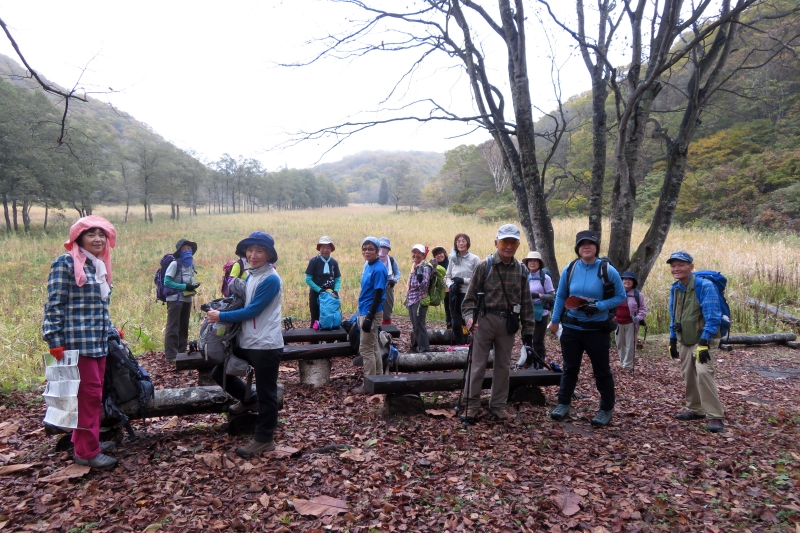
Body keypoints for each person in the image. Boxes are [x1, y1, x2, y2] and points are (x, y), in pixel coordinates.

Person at [42, 215, 120, 470]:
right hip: (77, 344)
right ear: (79, 238)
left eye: (102, 235)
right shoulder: (65, 263)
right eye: (91, 235)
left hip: (97, 342)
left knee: (93, 394)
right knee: (87, 396)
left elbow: (100, 307)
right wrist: (53, 338)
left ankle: (87, 440)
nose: (98, 239)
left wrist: (111, 330)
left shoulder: (99, 265)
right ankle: (86, 452)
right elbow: (54, 304)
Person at [206, 231, 284, 458]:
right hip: (248, 340)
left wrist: (220, 316)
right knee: (220, 371)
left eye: (259, 251)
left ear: (269, 254)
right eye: (250, 250)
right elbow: (243, 303)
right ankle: (249, 400)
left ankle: (264, 439)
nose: (253, 255)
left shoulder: (270, 278)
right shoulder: (251, 275)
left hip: (266, 345)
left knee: (267, 393)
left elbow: (253, 310)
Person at [548, 230, 626, 427]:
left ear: (596, 247)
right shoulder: (571, 268)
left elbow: (621, 296)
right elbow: (560, 295)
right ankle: (563, 404)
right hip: (572, 328)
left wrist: (598, 306)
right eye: (582, 244)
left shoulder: (608, 270)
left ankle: (606, 409)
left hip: (597, 330)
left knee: (601, 371)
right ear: (577, 248)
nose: (586, 247)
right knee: (569, 368)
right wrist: (555, 320)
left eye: (590, 243)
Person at [460, 224, 535, 422]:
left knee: (503, 365)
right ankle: (471, 405)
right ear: (496, 243)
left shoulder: (521, 270)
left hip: (508, 322)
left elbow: (526, 302)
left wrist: (528, 330)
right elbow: (468, 300)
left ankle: (498, 405)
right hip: (484, 320)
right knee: (478, 364)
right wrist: (469, 318)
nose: (508, 246)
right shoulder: (484, 266)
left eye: (513, 242)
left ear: (518, 245)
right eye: (504, 242)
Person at [667, 251, 725, 433]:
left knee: (704, 373)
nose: (676, 269)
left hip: (704, 339)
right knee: (688, 373)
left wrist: (704, 342)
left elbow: (713, 316)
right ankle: (695, 409)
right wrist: (672, 339)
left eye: (681, 265)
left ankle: (715, 416)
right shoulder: (675, 288)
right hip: (685, 339)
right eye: (673, 265)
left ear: (691, 267)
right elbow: (674, 315)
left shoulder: (705, 286)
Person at [352, 237, 389, 394]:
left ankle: (369, 384)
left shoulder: (379, 269)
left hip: (371, 311)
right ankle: (379, 379)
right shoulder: (368, 265)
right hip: (364, 309)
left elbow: (378, 294)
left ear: (377, 250)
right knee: (373, 345)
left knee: (365, 347)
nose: (367, 251)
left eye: (370, 249)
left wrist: (369, 317)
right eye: (364, 248)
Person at [163, 238, 200, 363]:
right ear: (179, 251)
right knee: (173, 326)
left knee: (183, 326)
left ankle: (182, 352)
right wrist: (185, 287)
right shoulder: (174, 264)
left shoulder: (190, 265)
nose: (187, 251)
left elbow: (188, 281)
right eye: (184, 249)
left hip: (187, 299)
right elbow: (166, 282)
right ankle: (171, 356)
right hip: (175, 299)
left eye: (189, 249)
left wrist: (193, 285)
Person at [445, 233, 481, 345]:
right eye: (458, 241)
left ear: (468, 243)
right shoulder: (453, 259)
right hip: (455, 293)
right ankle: (461, 344)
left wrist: (463, 280)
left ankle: (472, 343)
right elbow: (447, 276)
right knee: (455, 322)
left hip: (469, 294)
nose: (461, 243)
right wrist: (451, 285)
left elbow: (478, 278)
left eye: (463, 241)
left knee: (469, 320)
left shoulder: (474, 259)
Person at [521, 251, 555, 367]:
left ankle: (539, 363)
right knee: (526, 337)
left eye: (535, 261)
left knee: (537, 340)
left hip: (542, 311)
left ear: (539, 263)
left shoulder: (545, 277)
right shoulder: (524, 275)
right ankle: (528, 360)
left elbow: (552, 295)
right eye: (530, 261)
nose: (532, 263)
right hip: (526, 311)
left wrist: (539, 296)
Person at [305, 236, 342, 327]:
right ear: (319, 248)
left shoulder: (334, 263)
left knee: (330, 318)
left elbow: (337, 278)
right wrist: (319, 290)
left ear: (331, 249)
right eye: (323, 247)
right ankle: (314, 340)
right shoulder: (314, 261)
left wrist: (336, 290)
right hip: (316, 294)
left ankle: (330, 340)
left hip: (330, 296)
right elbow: (308, 279)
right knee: (315, 319)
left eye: (328, 248)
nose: (325, 250)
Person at [614, 271, 647, 372]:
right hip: (617, 323)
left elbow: (643, 309)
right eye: (624, 279)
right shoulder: (616, 292)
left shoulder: (638, 295)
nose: (627, 281)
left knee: (630, 345)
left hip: (631, 323)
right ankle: (623, 362)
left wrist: (639, 317)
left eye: (629, 280)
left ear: (633, 282)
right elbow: (610, 306)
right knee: (620, 344)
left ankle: (627, 366)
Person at [406, 244, 432, 353]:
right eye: (414, 252)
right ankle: (417, 347)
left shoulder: (424, 267)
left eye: (419, 253)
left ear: (423, 255)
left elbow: (423, 286)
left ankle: (425, 350)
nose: (416, 255)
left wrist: (420, 276)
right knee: (415, 325)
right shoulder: (415, 266)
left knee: (420, 325)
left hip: (419, 300)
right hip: (412, 299)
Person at [378, 237, 401, 325]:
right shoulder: (372, 260)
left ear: (388, 250)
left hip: (388, 286)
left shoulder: (391, 260)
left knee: (387, 309)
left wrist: (394, 280)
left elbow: (397, 273)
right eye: (381, 247)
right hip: (375, 285)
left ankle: (387, 331)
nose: (383, 250)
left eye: (385, 248)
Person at [431, 246, 451, 328]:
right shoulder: (434, 266)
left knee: (456, 311)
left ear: (444, 254)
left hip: (453, 290)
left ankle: (463, 332)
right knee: (448, 310)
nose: (439, 255)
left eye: (440, 253)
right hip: (443, 292)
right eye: (436, 254)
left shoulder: (451, 264)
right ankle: (449, 329)